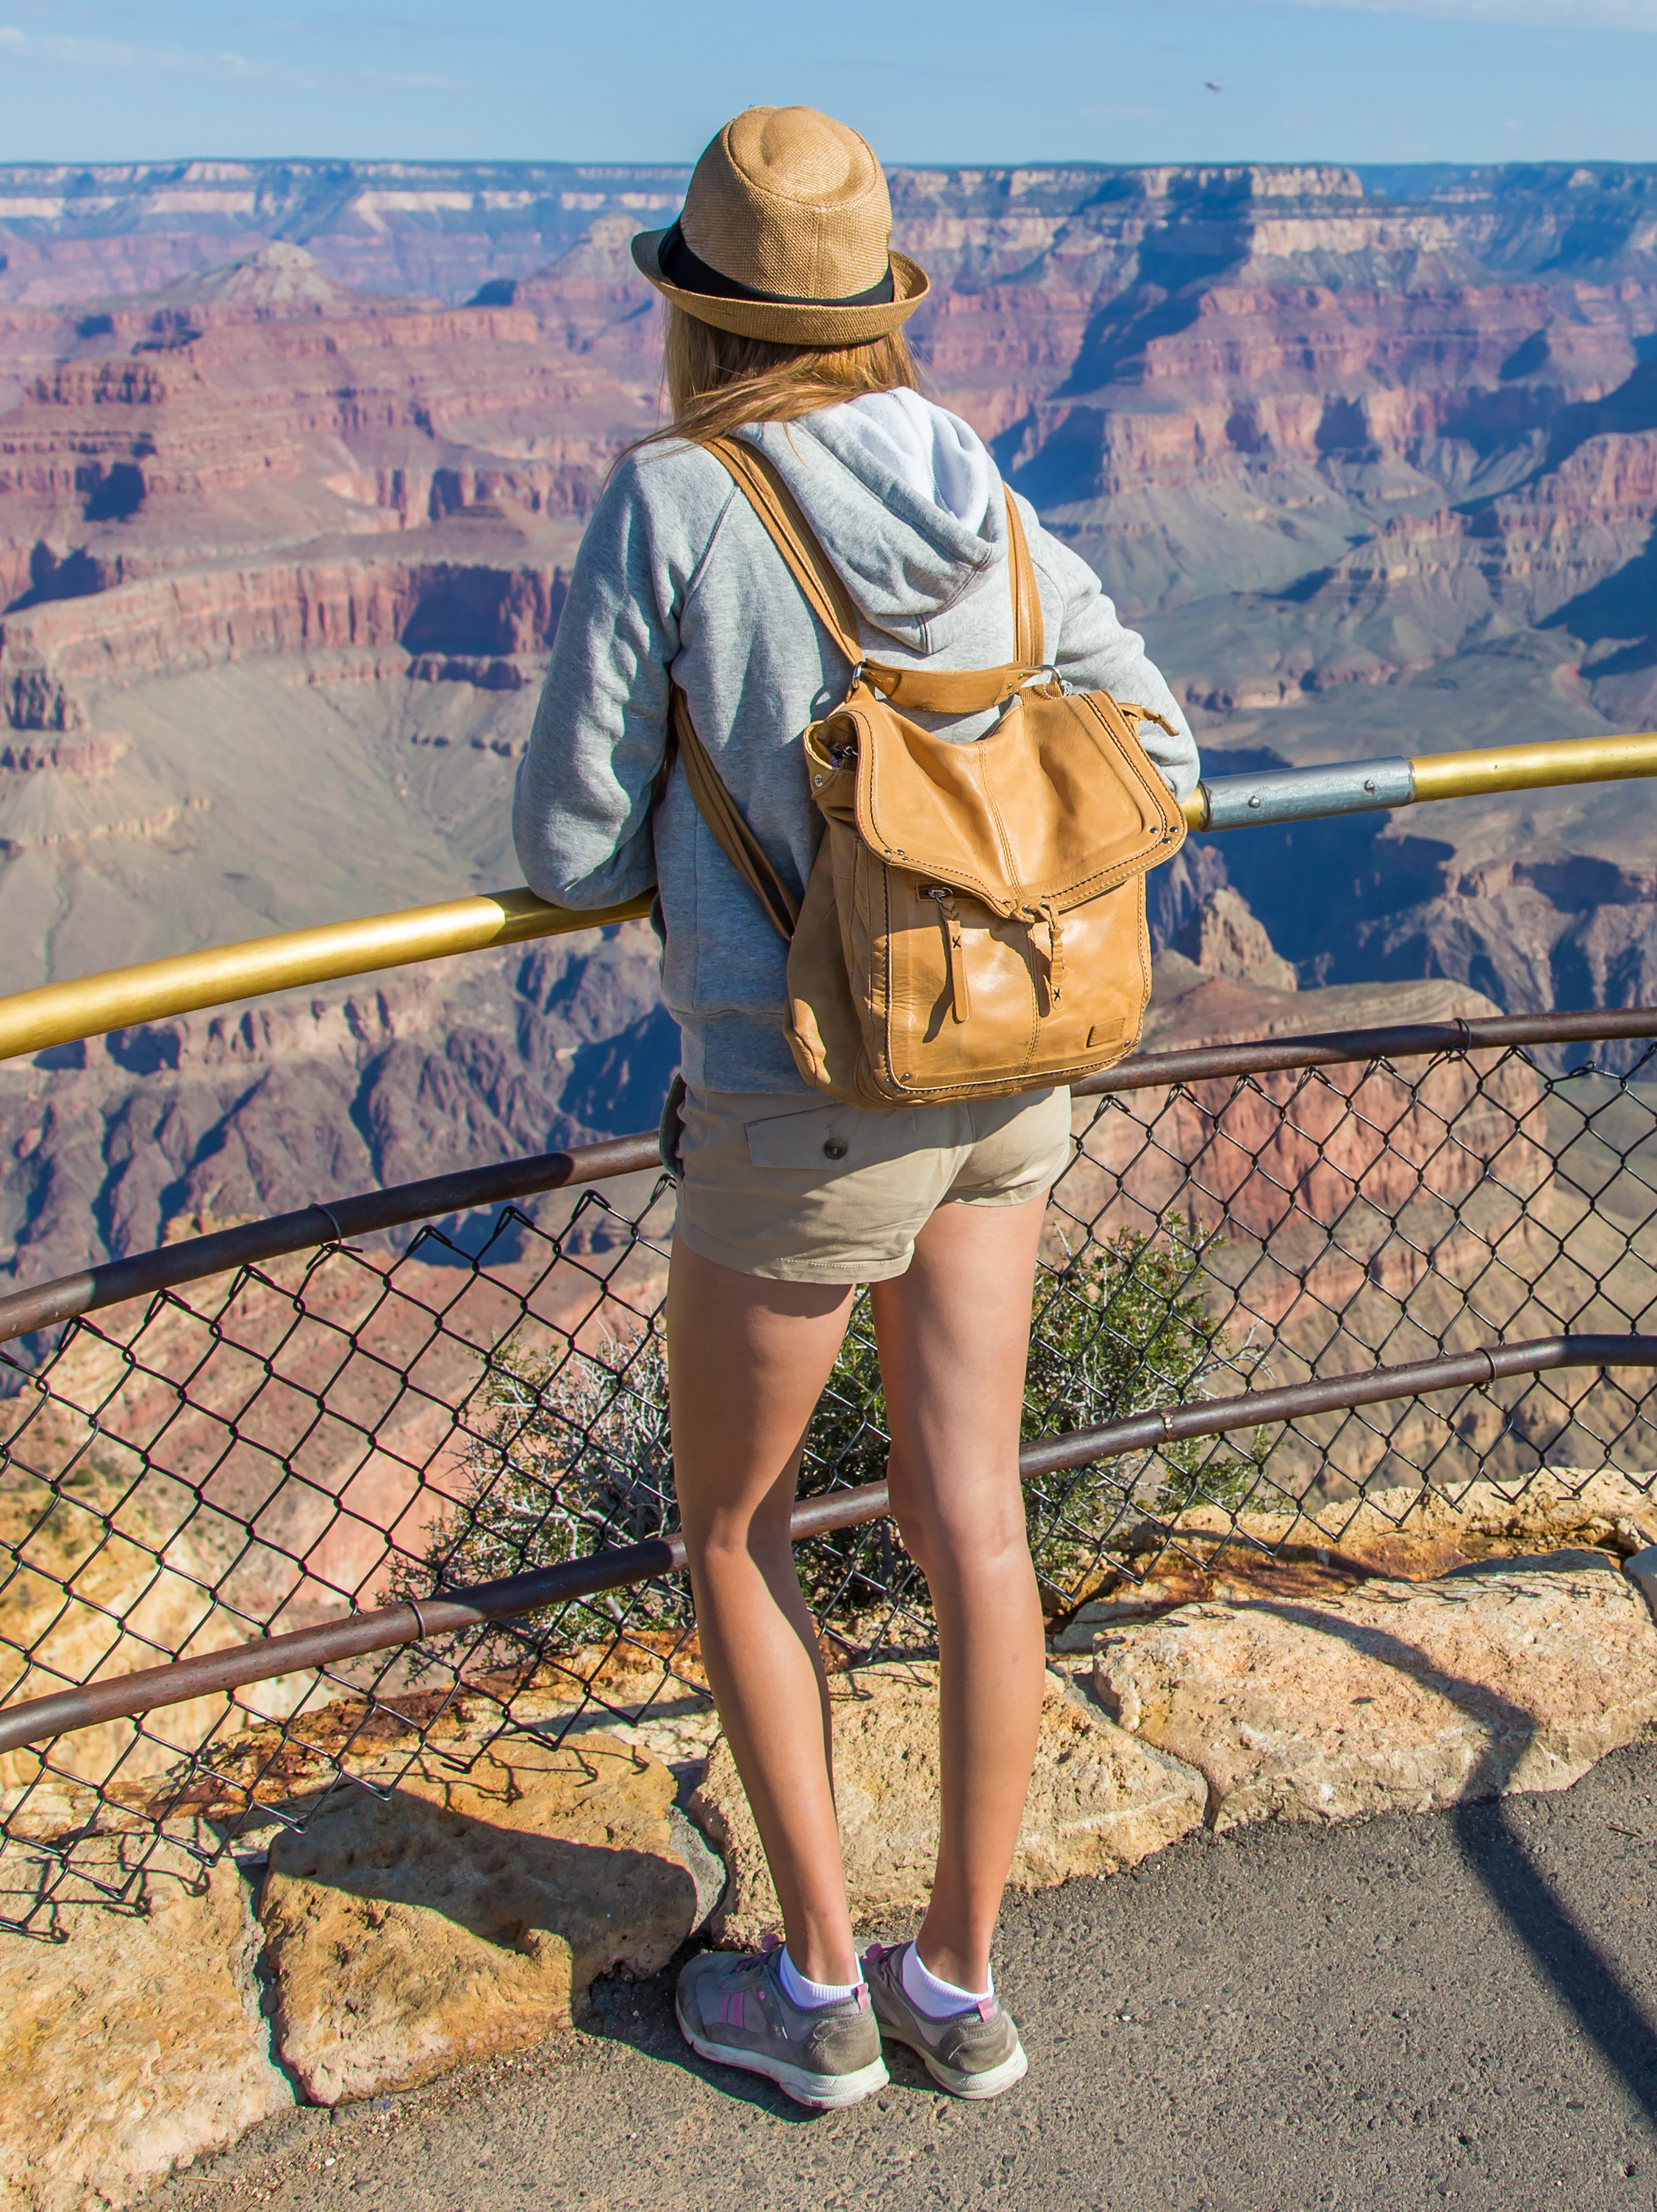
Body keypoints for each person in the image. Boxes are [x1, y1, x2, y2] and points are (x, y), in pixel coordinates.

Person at [512, 105, 1195, 2108]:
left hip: (802, 1091)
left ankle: (817, 1990)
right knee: (972, 1511)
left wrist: (728, 826)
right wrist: (973, 784)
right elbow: (1151, 729)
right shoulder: (966, 475)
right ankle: (959, 1983)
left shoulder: (672, 500)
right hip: (1008, 1061)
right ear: (868, 305)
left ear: (699, 319)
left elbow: (558, 841)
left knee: (729, 1523)